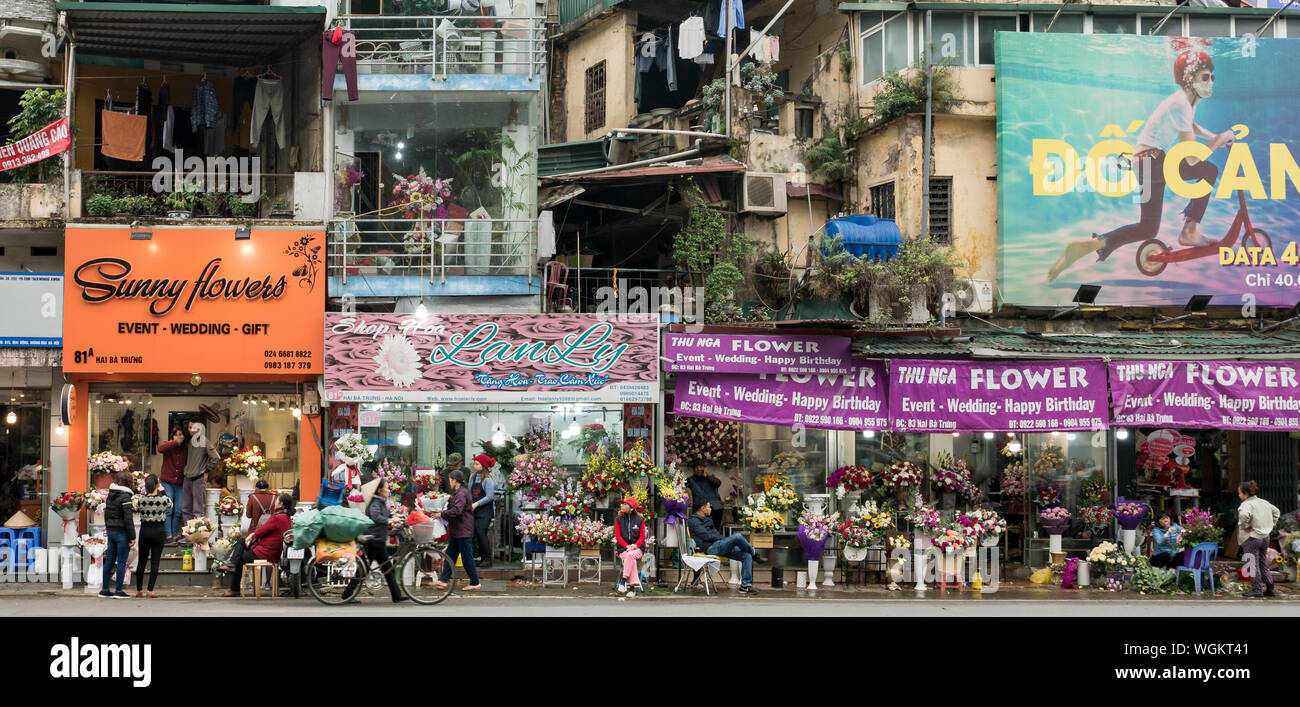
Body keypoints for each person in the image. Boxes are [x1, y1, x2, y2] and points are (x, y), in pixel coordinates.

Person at [1047, 40, 1235, 282]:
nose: (1211, 82)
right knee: (1208, 169)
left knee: (1147, 228)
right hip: (1154, 161)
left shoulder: (1184, 101)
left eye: (1212, 77)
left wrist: (1214, 136)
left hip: (1148, 161)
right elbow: (1189, 156)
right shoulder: (1181, 104)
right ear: (1190, 79)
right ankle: (1189, 231)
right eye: (1206, 77)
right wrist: (1220, 139)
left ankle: (1087, 246)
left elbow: (1190, 126)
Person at [341, 479, 408, 604]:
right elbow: (376, 516)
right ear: (380, 490)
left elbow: (385, 516)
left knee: (387, 569)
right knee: (365, 570)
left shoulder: (381, 502)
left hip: (378, 540)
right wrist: (389, 521)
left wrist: (395, 518)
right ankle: (347, 595)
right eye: (387, 488)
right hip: (372, 540)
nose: (389, 490)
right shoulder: (375, 503)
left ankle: (396, 595)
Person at [220, 493, 295, 597]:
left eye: (277, 500)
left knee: (240, 557)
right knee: (241, 544)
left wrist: (252, 535)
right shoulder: (286, 518)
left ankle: (234, 584)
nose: (275, 502)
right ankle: (231, 565)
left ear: (281, 504)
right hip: (273, 553)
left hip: (264, 553)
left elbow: (262, 530)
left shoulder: (277, 518)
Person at [687, 500, 759, 595]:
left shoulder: (707, 519)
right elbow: (706, 536)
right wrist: (726, 542)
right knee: (737, 536)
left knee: (746, 555)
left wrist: (727, 544)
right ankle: (754, 552)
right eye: (709, 507)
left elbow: (716, 535)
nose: (711, 509)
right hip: (711, 548)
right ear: (703, 508)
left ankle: (745, 586)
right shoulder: (693, 521)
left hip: (719, 546)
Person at [429, 469, 481, 591]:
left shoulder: (462, 494)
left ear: (454, 480)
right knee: (450, 556)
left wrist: (441, 514)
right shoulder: (459, 493)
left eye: (450, 480)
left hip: (463, 531)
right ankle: (443, 580)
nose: (449, 483)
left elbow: (457, 511)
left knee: (466, 558)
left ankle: (475, 582)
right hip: (458, 531)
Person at [1237, 480, 1281, 598]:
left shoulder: (1246, 504)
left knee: (1252, 564)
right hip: (1265, 537)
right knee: (1262, 563)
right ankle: (1270, 588)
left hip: (1252, 538)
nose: (1239, 495)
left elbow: (1243, 515)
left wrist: (1245, 526)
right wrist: (1271, 525)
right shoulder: (1264, 502)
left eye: (1240, 493)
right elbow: (1276, 512)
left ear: (1246, 494)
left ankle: (1257, 590)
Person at [133, 474, 173, 597]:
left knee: (142, 561)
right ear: (157, 485)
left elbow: (137, 509)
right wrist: (163, 491)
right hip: (159, 530)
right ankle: (150, 590)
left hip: (145, 530)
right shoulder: (163, 499)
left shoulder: (141, 499)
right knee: (155, 562)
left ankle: (139, 590)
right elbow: (171, 506)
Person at [98, 471, 135, 599]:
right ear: (128, 482)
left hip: (111, 532)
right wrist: (132, 537)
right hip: (122, 533)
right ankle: (118, 590)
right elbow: (128, 519)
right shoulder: (125, 497)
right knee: (121, 562)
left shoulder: (110, 495)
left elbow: (106, 514)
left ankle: (104, 589)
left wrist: (108, 528)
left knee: (109, 561)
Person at [181, 422, 219, 525]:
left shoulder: (204, 441)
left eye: (192, 427)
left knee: (198, 510)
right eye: (189, 427)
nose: (190, 430)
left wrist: (206, 471)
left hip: (198, 479)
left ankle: (198, 536)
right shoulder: (190, 442)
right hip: (187, 478)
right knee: (185, 508)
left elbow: (216, 458)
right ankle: (188, 534)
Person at [156, 427, 188, 542]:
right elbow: (160, 449)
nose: (179, 437)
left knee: (179, 510)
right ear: (172, 437)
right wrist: (174, 443)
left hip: (180, 483)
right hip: (167, 482)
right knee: (169, 509)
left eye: (181, 434)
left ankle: (174, 535)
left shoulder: (186, 448)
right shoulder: (168, 445)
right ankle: (168, 536)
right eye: (177, 435)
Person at [469, 454, 497, 568]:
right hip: (475, 510)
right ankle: (481, 558)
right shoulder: (472, 477)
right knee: (476, 533)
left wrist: (476, 504)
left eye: (477, 464)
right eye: (474, 463)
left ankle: (487, 559)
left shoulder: (488, 480)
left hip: (485, 511)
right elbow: (470, 493)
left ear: (483, 466)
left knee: (481, 532)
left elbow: (490, 497)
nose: (474, 465)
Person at [614, 497, 646, 597]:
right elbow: (618, 536)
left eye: (625, 504)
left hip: (638, 549)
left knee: (631, 555)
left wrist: (635, 546)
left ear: (631, 508)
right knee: (631, 557)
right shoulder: (618, 520)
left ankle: (623, 581)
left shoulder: (640, 520)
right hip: (622, 549)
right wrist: (627, 546)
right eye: (622, 504)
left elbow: (642, 536)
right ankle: (632, 589)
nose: (622, 506)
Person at [687, 463, 725, 532]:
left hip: (716, 508)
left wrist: (707, 476)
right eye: (696, 467)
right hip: (701, 509)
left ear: (705, 468)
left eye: (701, 467)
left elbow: (718, 483)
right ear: (693, 469)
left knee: (715, 530)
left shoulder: (710, 478)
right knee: (703, 531)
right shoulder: (691, 480)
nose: (698, 469)